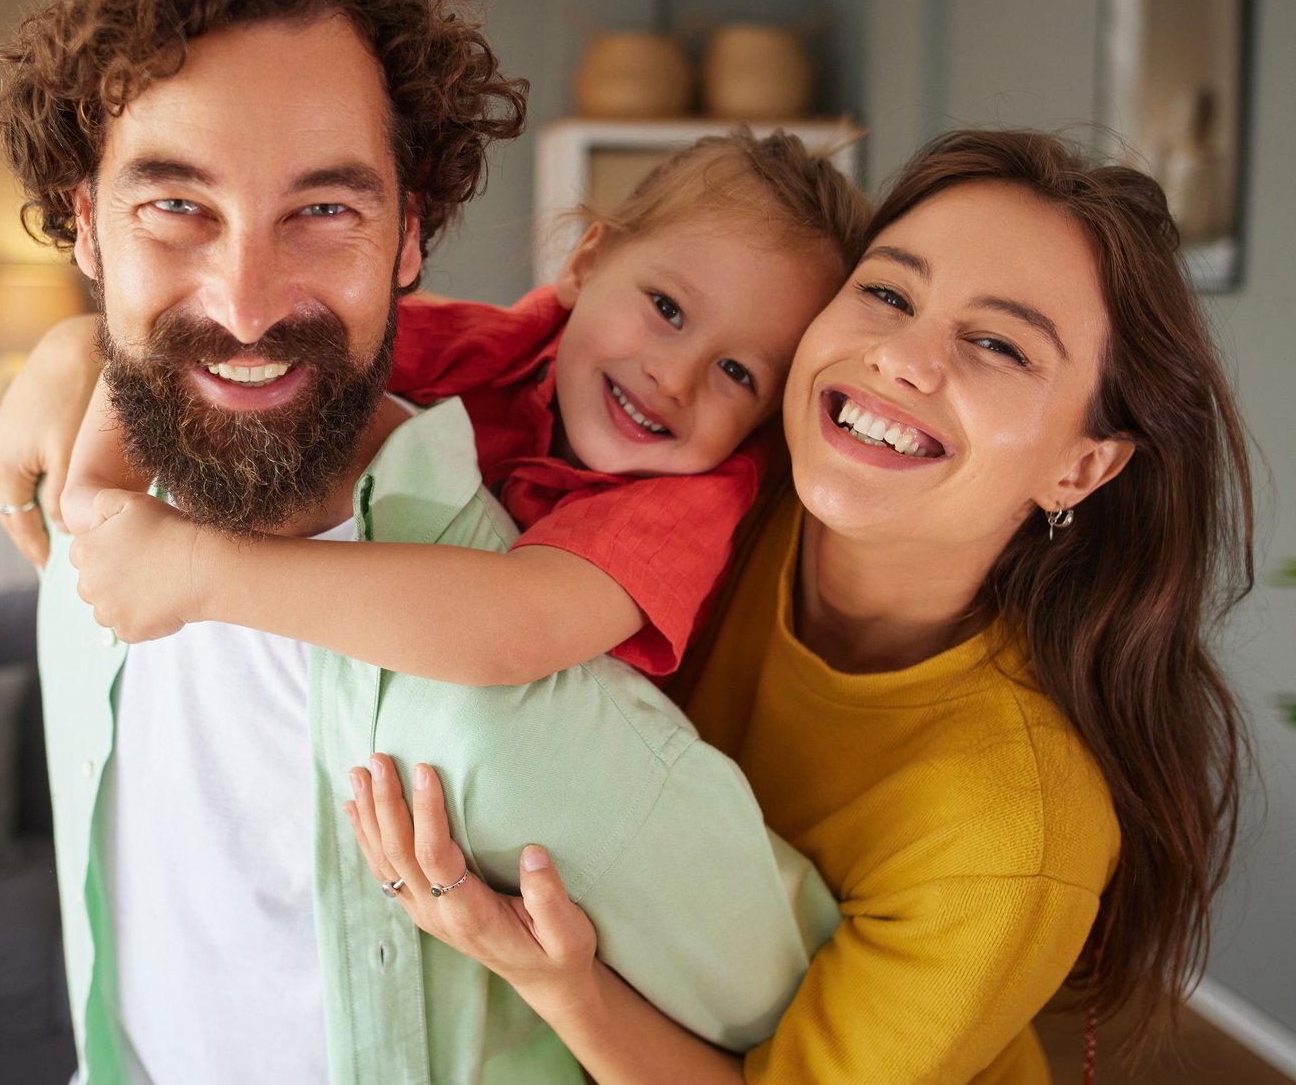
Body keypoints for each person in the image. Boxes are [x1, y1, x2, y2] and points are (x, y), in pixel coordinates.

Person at [0, 0, 836, 1085]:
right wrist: (67, 351)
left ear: (413, 236)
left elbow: (787, 1004)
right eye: (175, 207)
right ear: (82, 221)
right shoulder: (68, 523)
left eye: (323, 210)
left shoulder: (524, 705)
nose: (248, 301)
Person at [348, 130, 1251, 1085]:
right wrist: (70, 365)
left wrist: (555, 982)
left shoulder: (1019, 820)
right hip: (661, 1081)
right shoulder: (719, 465)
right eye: (886, 293)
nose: (903, 360)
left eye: (999, 346)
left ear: (1082, 464)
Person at [57, 127, 861, 684]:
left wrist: (204, 575)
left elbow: (515, 627)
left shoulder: (695, 496)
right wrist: (93, 487)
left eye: (737, 372)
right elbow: (230, 350)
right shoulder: (499, 346)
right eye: (668, 309)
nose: (676, 378)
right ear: (587, 263)